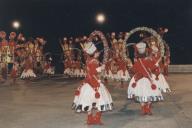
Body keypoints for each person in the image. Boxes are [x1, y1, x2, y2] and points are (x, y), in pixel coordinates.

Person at [72, 41, 113, 125]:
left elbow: (90, 71)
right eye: (96, 52)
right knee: (101, 100)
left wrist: (99, 65)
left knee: (87, 101)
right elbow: (94, 71)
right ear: (94, 53)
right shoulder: (95, 61)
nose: (98, 53)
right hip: (94, 82)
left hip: (87, 82)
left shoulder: (88, 60)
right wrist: (101, 68)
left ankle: (89, 118)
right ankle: (97, 119)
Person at [128, 42, 164, 115]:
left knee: (140, 94)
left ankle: (143, 108)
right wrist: (156, 64)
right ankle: (148, 108)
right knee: (151, 93)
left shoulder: (137, 62)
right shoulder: (148, 60)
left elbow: (133, 70)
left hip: (139, 79)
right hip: (148, 79)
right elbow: (153, 68)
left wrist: (131, 67)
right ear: (145, 53)